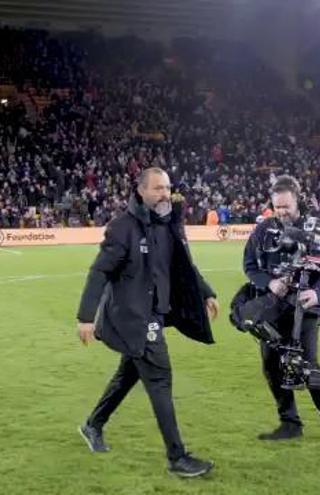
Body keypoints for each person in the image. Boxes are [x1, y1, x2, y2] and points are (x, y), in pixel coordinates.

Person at [75, 167, 220, 478]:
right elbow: (100, 271)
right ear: (141, 191)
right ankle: (177, 458)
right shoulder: (122, 227)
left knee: (129, 374)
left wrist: (206, 292)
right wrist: (86, 316)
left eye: (167, 188)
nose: (165, 194)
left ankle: (93, 425)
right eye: (158, 188)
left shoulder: (167, 225)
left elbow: (183, 266)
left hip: (154, 314)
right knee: (160, 380)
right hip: (133, 317)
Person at [241, 175, 320, 443]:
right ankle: (290, 423)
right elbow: (250, 266)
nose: (281, 212)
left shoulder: (318, 228)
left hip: (306, 307)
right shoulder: (263, 230)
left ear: (297, 200)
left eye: (286, 206)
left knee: (306, 364)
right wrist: (270, 283)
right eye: (277, 207)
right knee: (271, 365)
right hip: (272, 308)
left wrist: (318, 292)